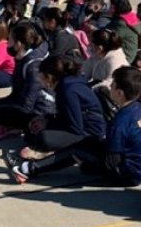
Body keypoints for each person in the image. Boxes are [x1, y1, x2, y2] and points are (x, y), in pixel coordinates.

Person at [9, 55, 107, 183]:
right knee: (32, 132)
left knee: (43, 138)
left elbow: (75, 127)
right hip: (85, 128)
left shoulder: (68, 91)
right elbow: (68, 115)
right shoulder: (71, 82)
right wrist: (46, 119)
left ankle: (33, 166)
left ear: (49, 77)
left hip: (89, 134)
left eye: (41, 75)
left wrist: (48, 123)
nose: (39, 78)